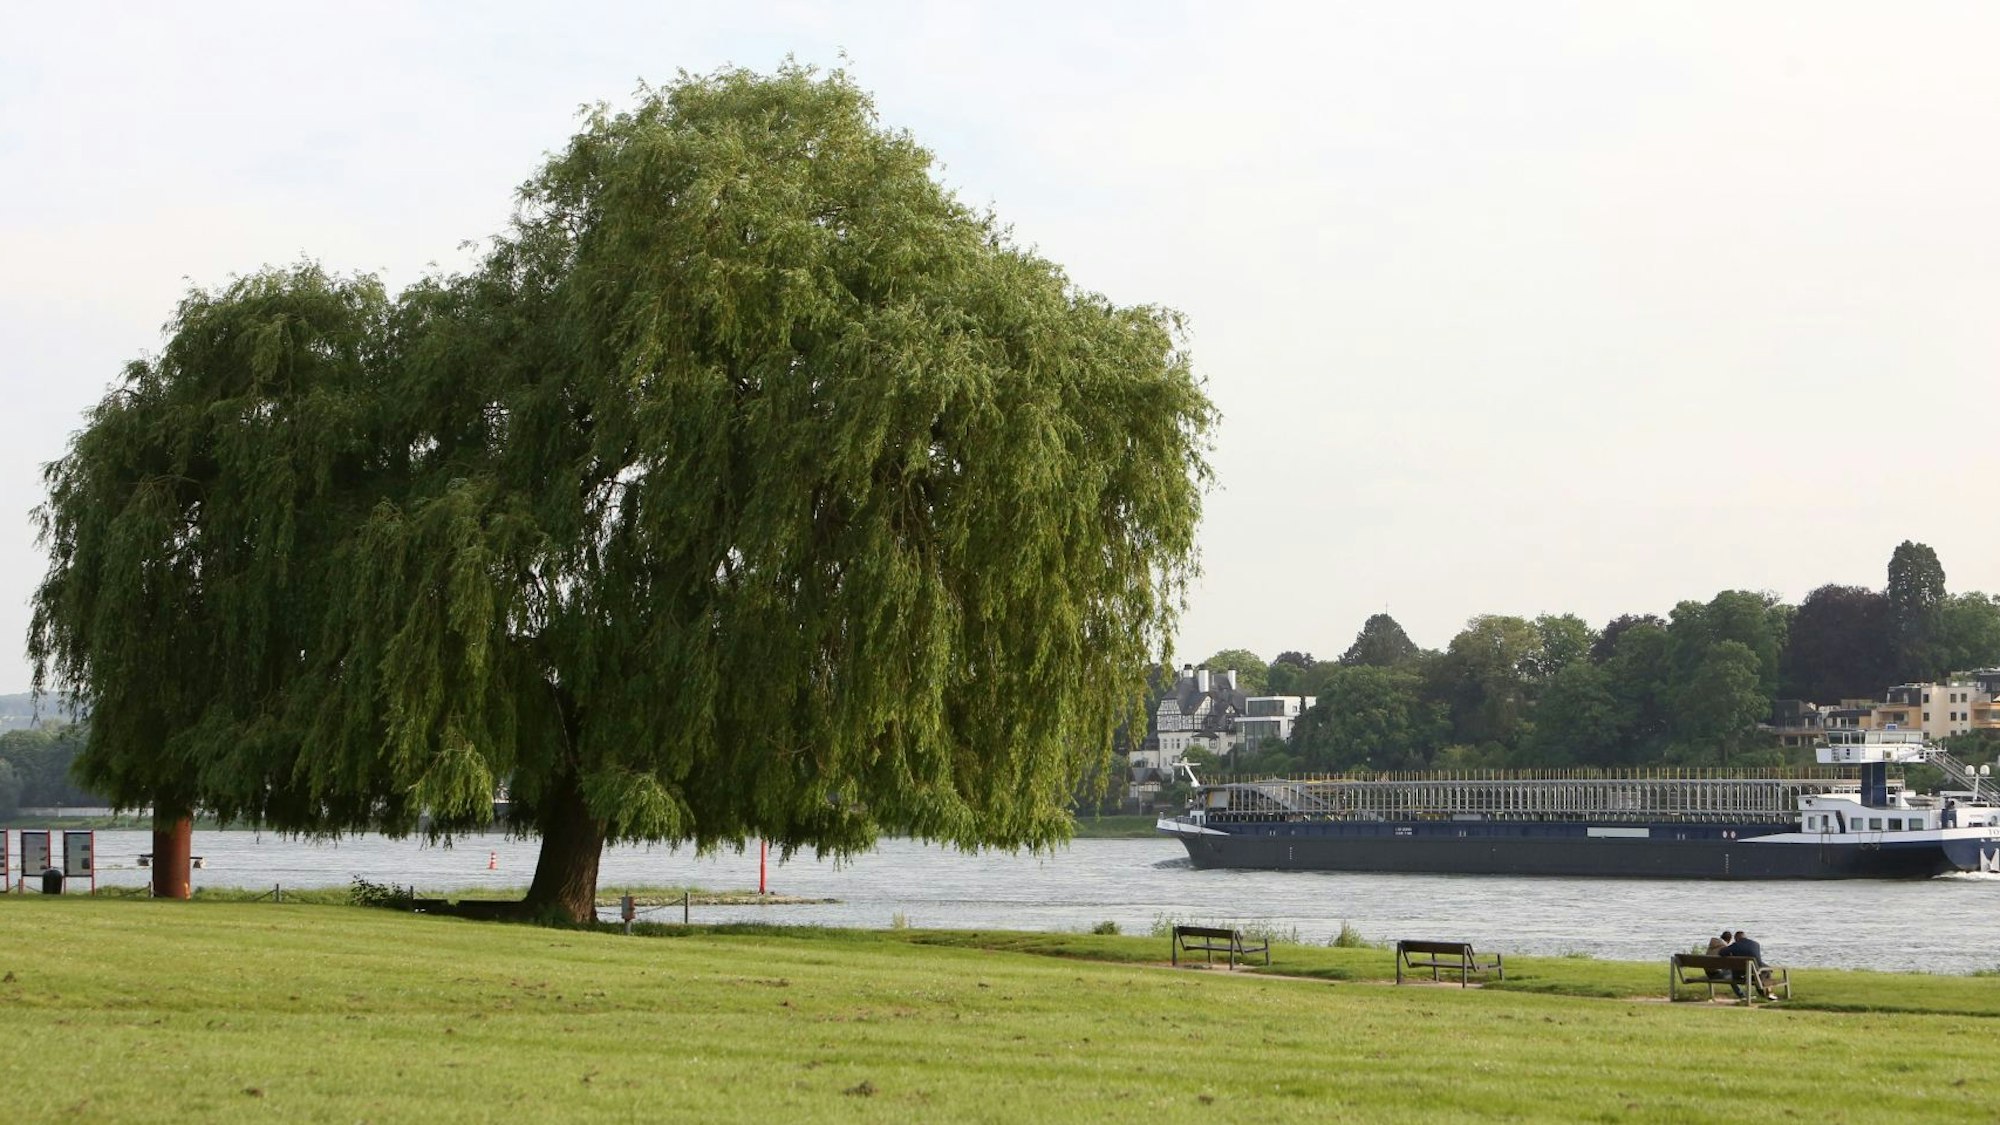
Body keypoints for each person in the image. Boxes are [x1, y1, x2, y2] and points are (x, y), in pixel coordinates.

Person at [1719, 930, 1774, 999]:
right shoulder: (1755, 944)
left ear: (1737, 938)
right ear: (1745, 937)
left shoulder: (1735, 945)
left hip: (1739, 974)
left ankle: (1764, 993)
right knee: (1767, 970)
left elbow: (1721, 952)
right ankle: (1767, 993)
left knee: (1763, 971)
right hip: (1755, 971)